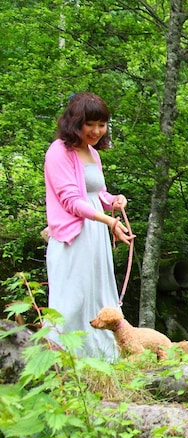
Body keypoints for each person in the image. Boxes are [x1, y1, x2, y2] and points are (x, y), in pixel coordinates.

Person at [44, 92, 133, 360]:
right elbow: (71, 201)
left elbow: (96, 194)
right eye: (90, 124)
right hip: (73, 237)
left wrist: (114, 201)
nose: (96, 131)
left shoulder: (92, 152)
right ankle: (61, 359)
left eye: (102, 124)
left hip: (95, 237)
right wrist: (107, 219)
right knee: (72, 300)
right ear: (75, 122)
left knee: (97, 295)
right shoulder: (58, 151)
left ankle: (102, 360)